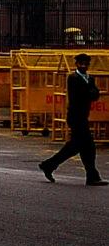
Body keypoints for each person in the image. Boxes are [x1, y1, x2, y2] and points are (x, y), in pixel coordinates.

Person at [41, 54, 104, 185]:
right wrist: (90, 92)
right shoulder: (73, 78)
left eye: (85, 64)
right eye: (81, 63)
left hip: (83, 116)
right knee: (88, 146)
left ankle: (49, 165)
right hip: (75, 117)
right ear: (76, 64)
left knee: (76, 147)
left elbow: (95, 94)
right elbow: (82, 95)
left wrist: (90, 93)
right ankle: (92, 176)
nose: (83, 66)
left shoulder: (89, 78)